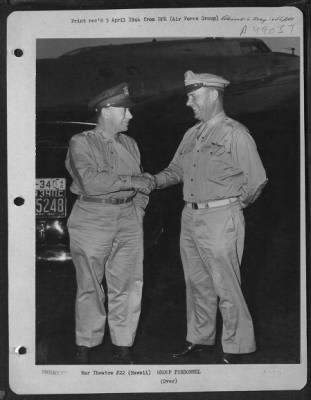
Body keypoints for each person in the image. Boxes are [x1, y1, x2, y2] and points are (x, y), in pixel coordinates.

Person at [143, 70, 268, 363]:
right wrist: (152, 180)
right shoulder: (192, 134)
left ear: (212, 95)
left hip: (220, 217)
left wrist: (234, 206)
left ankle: (237, 348)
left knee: (226, 286)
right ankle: (200, 339)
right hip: (190, 217)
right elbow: (176, 171)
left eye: (193, 96)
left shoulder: (235, 132)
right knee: (197, 283)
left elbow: (257, 179)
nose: (188, 102)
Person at [65, 83, 154, 364]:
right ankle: (86, 342)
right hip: (92, 216)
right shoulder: (81, 142)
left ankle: (123, 343)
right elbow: (90, 182)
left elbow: (142, 188)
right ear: (106, 110)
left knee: (129, 282)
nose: (130, 116)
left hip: (127, 217)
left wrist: (138, 210)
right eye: (124, 110)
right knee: (91, 283)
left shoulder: (131, 145)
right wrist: (132, 182)